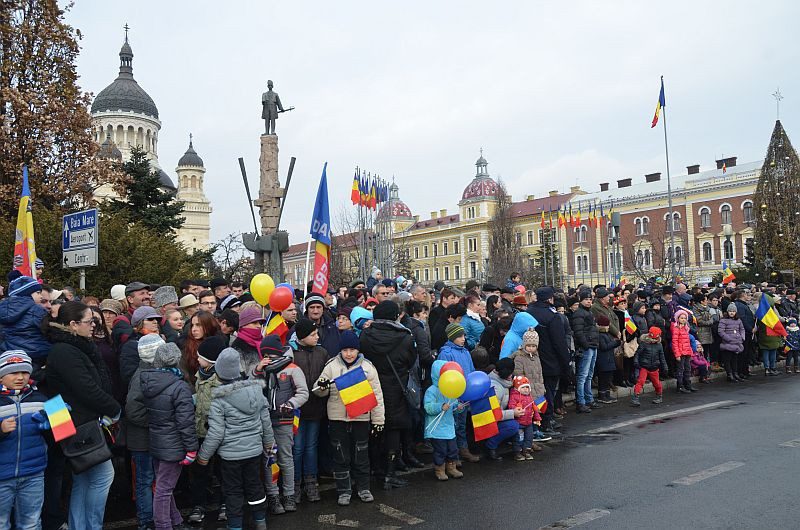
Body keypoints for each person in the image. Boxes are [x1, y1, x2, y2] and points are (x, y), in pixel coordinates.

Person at [45, 301, 121, 530]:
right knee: (102, 476)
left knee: (83, 477)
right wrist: (114, 408)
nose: (94, 326)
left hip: (69, 419)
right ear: (73, 324)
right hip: (75, 421)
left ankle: (80, 526)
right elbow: (87, 388)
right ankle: (92, 526)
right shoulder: (66, 350)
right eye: (90, 321)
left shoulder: (69, 347)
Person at [197, 348, 275, 530]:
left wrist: (203, 456)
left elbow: (216, 433)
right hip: (254, 451)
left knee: (233, 491)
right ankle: (260, 521)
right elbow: (266, 423)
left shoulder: (219, 399)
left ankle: (234, 526)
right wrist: (269, 445)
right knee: (255, 486)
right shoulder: (256, 392)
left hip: (230, 456)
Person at [314, 331, 385, 505]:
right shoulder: (331, 366)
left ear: (358, 350)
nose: (349, 354)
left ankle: (364, 488)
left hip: (361, 418)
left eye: (352, 349)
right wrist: (321, 385)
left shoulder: (368, 367)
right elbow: (318, 391)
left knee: (361, 455)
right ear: (340, 351)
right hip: (338, 419)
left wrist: (378, 421)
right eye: (345, 350)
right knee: (340, 456)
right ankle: (343, 491)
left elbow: (377, 395)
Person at [360, 300, 417, 490]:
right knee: (394, 429)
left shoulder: (366, 335)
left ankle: (376, 469)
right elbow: (411, 361)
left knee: (375, 428)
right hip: (396, 386)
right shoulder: (405, 337)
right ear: (395, 316)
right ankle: (390, 474)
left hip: (371, 386)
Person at [140, 342, 198, 530]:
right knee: (164, 490)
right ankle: (164, 526)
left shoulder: (149, 381)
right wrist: (191, 448)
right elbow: (186, 422)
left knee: (163, 485)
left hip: (157, 441)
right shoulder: (179, 386)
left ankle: (176, 521)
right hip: (174, 445)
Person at [253, 335, 307, 514]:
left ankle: (289, 494)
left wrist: (290, 404)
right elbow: (251, 389)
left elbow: (303, 392)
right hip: (265, 422)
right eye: (266, 354)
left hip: (284, 420)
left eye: (271, 354)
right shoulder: (262, 369)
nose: (269, 358)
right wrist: (257, 371)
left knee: (286, 458)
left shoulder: (292, 369)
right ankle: (273, 496)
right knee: (269, 459)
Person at [0, 350, 50, 530]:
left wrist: (55, 422)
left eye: (25, 372)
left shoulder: (41, 397)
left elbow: (64, 432)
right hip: (2, 477)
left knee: (31, 523)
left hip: (33, 473)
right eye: (13, 372)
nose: (20, 377)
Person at [124, 334, 164, 530]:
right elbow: (132, 410)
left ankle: (155, 519)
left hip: (150, 438)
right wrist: (157, 421)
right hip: (143, 440)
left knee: (153, 480)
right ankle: (146, 522)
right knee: (145, 481)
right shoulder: (143, 376)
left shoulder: (152, 372)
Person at [287, 319, 328, 504]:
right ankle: (294, 484)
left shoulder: (322, 352)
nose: (317, 337)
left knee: (311, 447)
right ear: (302, 336)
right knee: (297, 448)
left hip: (316, 407)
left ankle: (311, 481)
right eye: (312, 335)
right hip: (297, 410)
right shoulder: (292, 354)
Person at [187, 336, 226, 524]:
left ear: (211, 361)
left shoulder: (221, 379)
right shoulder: (200, 374)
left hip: (218, 433)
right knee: (200, 471)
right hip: (200, 431)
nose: (197, 358)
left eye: (200, 356)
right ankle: (198, 505)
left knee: (222, 470)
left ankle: (225, 504)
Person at [526, 287, 570, 433]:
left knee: (535, 392)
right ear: (550, 299)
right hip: (550, 361)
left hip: (531, 359)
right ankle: (546, 421)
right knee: (548, 392)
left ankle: (537, 421)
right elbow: (559, 342)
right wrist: (566, 361)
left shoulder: (528, 312)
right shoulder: (552, 316)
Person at [436, 323, 479, 463]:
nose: (463, 339)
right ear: (452, 337)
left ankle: (463, 449)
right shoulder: (446, 353)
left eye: (464, 335)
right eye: (460, 336)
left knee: (461, 425)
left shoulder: (465, 352)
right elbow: (443, 375)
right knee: (452, 425)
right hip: (452, 395)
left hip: (465, 394)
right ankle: (452, 455)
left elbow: (471, 371)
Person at [423, 360, 466, 481]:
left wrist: (458, 408)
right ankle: (439, 469)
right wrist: (440, 407)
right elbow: (428, 407)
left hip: (448, 427)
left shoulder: (450, 387)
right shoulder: (432, 390)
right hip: (436, 428)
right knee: (440, 450)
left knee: (453, 449)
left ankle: (451, 467)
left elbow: (453, 406)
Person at [0, 275, 50, 366]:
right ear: (27, 293)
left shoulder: (2, 309)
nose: (41, 296)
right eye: (38, 293)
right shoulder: (36, 309)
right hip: (37, 353)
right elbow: (48, 330)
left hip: (11, 355)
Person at [485, 358, 522, 460]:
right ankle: (490, 446)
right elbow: (493, 414)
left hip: (497, 417)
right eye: (511, 372)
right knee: (513, 425)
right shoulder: (496, 388)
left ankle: (517, 449)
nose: (512, 375)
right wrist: (513, 413)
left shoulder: (501, 382)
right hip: (489, 421)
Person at [570, 290, 599, 413]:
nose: (589, 301)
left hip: (593, 345)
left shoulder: (588, 312)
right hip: (587, 347)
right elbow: (578, 331)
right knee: (582, 376)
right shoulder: (579, 313)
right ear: (581, 300)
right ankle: (581, 402)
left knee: (589, 375)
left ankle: (589, 399)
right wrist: (586, 345)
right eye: (586, 299)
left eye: (590, 299)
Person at [119, 305, 163, 387]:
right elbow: (129, 375)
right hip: (145, 390)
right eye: (150, 319)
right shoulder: (131, 346)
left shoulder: (161, 340)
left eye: (156, 319)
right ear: (140, 322)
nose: (155, 322)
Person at [631, 327, 668, 406]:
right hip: (644, 366)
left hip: (654, 367)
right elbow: (637, 353)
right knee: (640, 381)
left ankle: (659, 395)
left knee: (657, 383)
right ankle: (635, 397)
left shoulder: (659, 345)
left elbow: (662, 357)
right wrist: (636, 361)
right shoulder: (644, 343)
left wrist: (665, 367)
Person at [182, 311, 221, 386]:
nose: (193, 329)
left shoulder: (220, 343)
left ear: (208, 325)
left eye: (198, 325)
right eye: (192, 325)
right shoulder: (185, 346)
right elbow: (186, 378)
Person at [507, 375, 541, 460]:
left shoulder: (530, 397)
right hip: (519, 422)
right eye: (523, 387)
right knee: (518, 438)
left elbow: (534, 408)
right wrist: (515, 409)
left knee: (529, 437)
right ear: (518, 388)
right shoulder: (514, 396)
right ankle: (517, 452)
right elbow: (511, 406)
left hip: (528, 422)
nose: (526, 389)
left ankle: (526, 450)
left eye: (527, 387)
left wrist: (537, 418)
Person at [757, 293, 784, 376]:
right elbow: (777, 324)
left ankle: (767, 369)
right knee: (772, 353)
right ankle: (772, 368)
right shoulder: (771, 313)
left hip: (763, 335)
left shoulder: (760, 312)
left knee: (765, 353)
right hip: (772, 336)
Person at [595, 315, 620, 404]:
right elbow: (604, 347)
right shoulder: (600, 335)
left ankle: (607, 394)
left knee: (608, 378)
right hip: (603, 361)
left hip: (609, 360)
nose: (608, 327)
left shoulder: (607, 334)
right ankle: (602, 395)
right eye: (607, 325)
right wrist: (615, 343)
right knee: (603, 379)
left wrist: (616, 343)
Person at [718, 303, 746, 382]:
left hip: (737, 343)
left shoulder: (738, 320)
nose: (731, 313)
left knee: (734, 359)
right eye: (730, 311)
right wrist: (728, 338)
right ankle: (729, 374)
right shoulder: (723, 320)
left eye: (733, 311)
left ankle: (735, 373)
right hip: (727, 343)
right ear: (727, 312)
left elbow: (742, 329)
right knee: (727, 359)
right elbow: (720, 331)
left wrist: (742, 337)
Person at [672, 309, 697, 393]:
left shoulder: (686, 328)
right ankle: (680, 386)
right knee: (680, 369)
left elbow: (688, 341)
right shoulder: (676, 328)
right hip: (681, 352)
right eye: (681, 318)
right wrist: (677, 354)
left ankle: (688, 385)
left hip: (687, 352)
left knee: (687, 369)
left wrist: (690, 351)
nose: (683, 319)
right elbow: (674, 342)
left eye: (685, 318)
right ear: (678, 318)